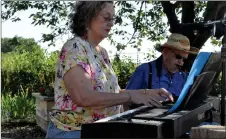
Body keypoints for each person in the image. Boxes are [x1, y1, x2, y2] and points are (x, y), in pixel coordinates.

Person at [45, 1, 174, 138]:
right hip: (72, 131)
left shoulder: (102, 53)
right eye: (106, 18)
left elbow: (112, 93)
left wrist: (145, 93)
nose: (111, 23)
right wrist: (131, 96)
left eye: (113, 19)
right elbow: (84, 97)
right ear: (88, 17)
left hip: (100, 130)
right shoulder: (74, 48)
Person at [126, 33, 199, 109]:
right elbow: (126, 100)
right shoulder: (144, 70)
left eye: (184, 59)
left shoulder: (184, 77)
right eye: (178, 57)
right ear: (165, 52)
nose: (181, 62)